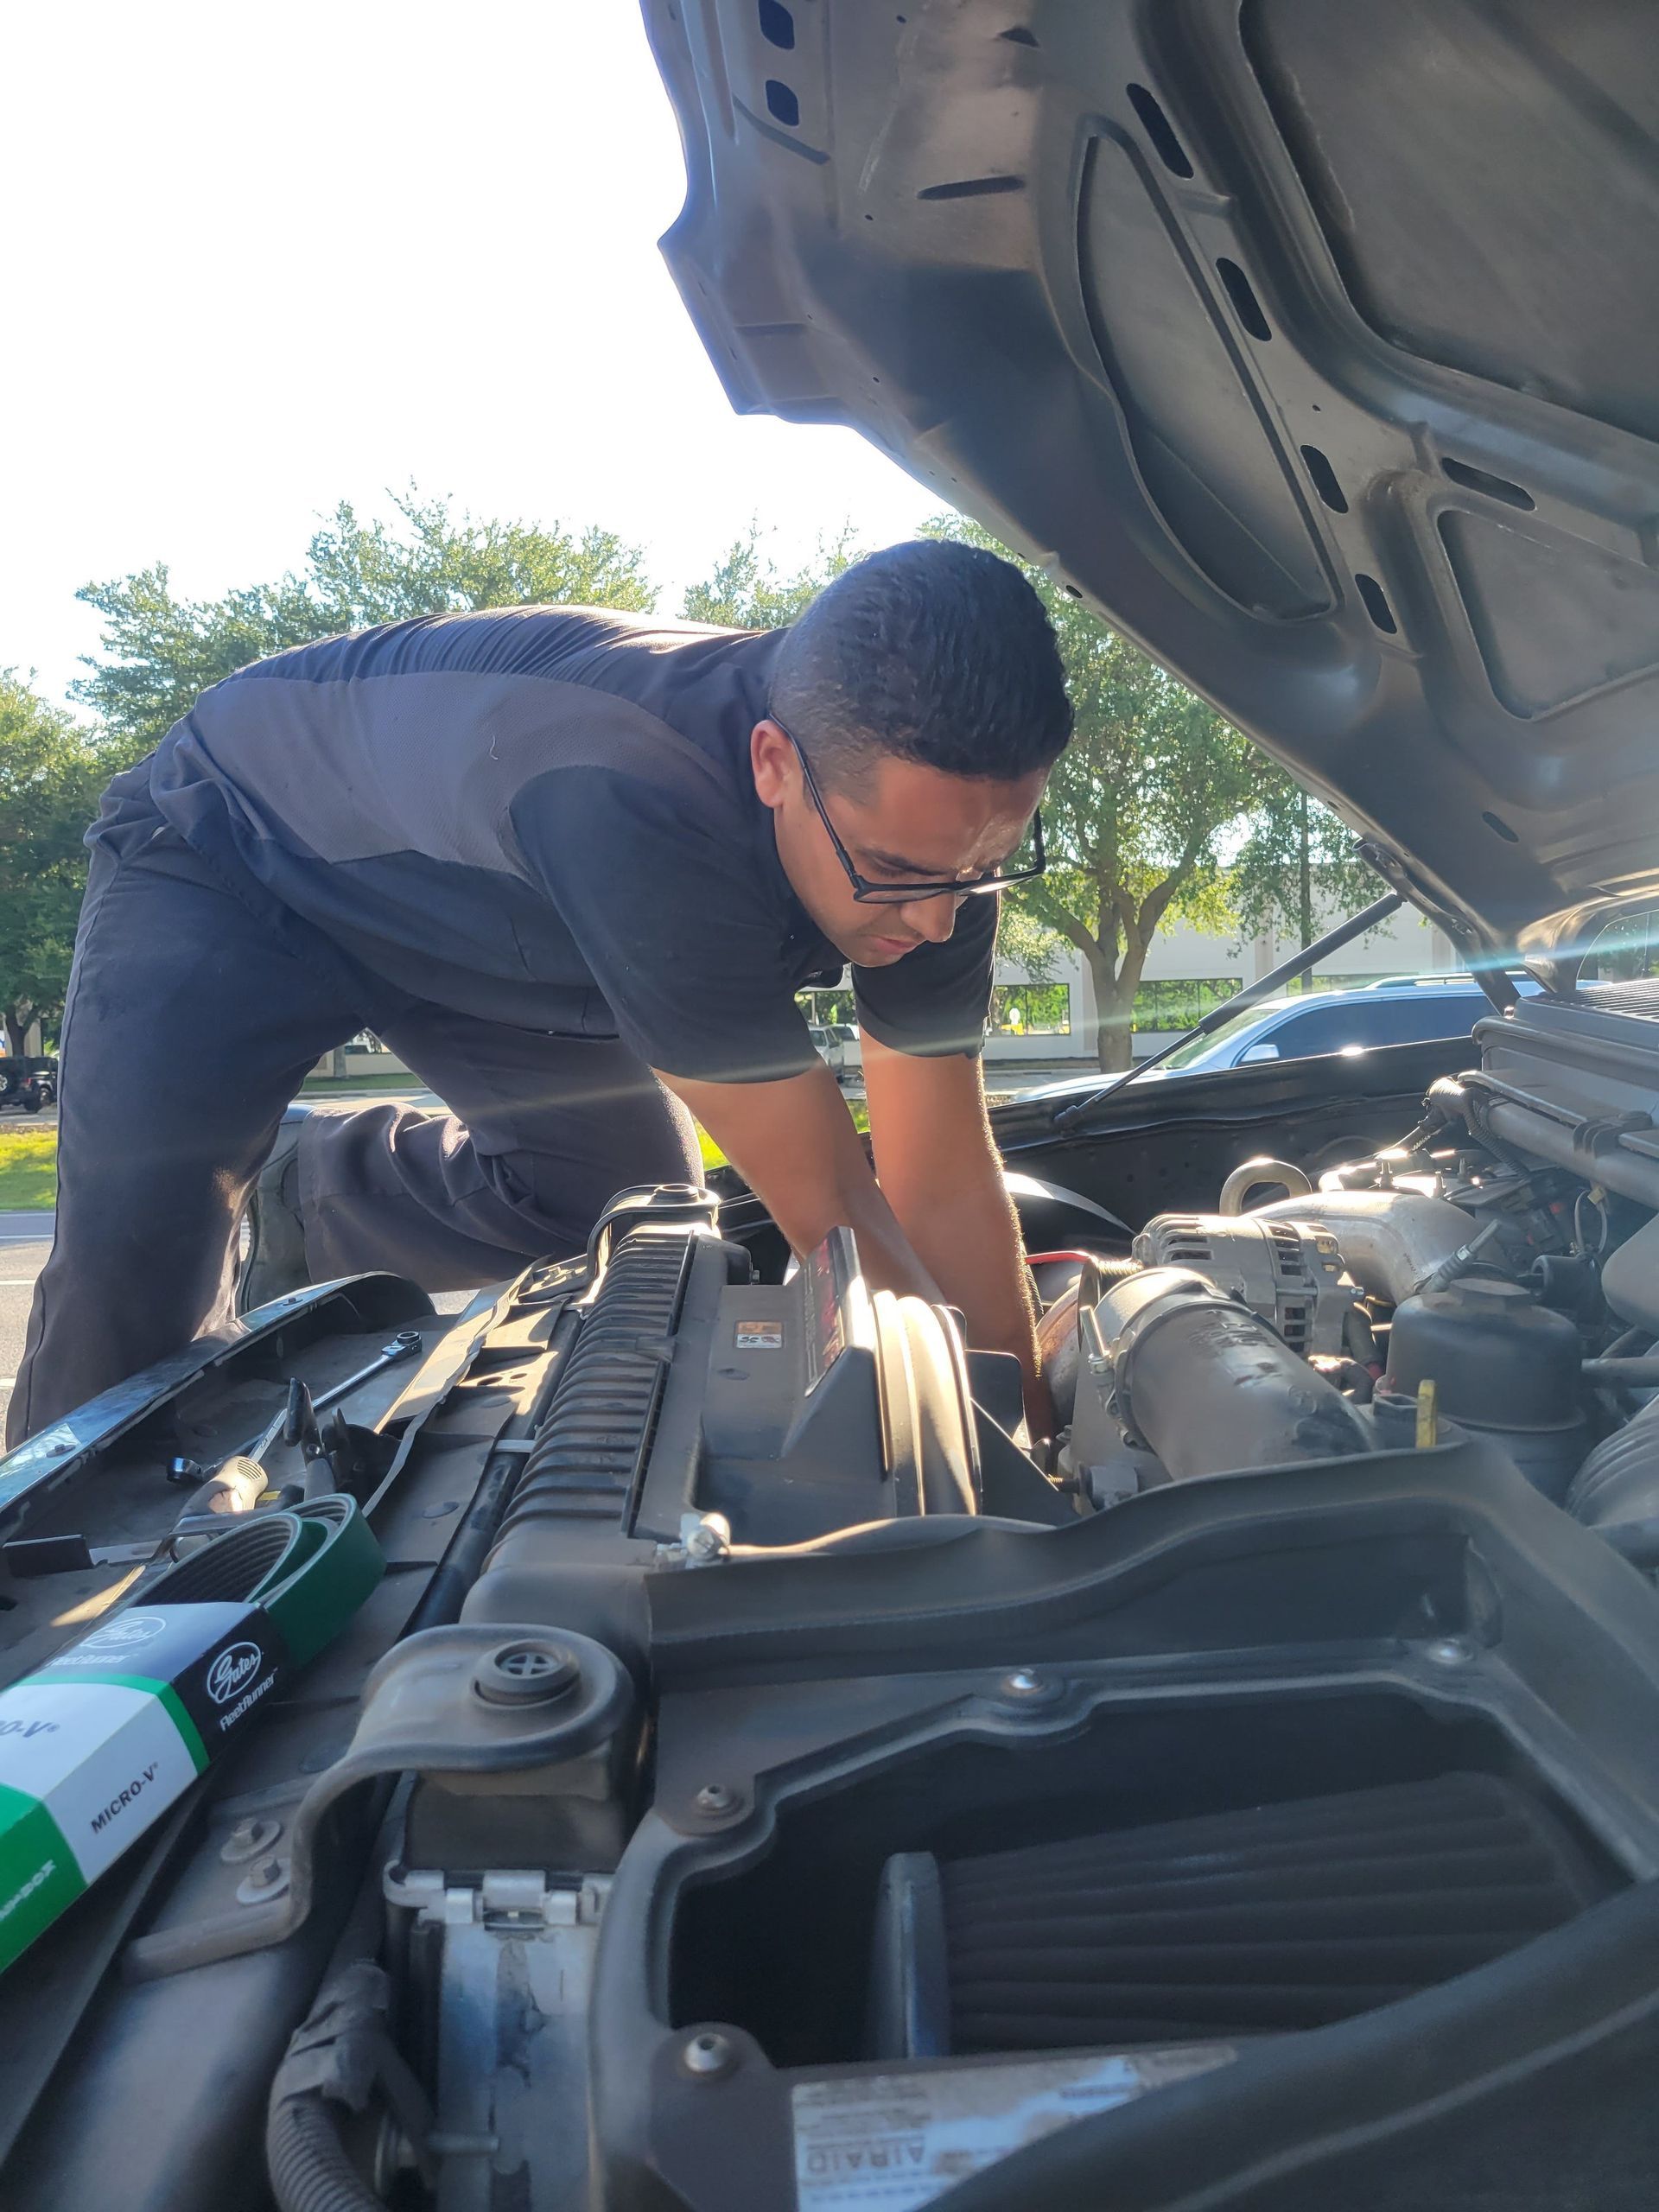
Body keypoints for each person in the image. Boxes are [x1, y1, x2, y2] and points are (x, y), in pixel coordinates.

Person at [8, 540, 1072, 1446]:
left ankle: (307, 1187)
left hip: (492, 913)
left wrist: (1034, 1432)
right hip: (232, 852)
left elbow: (940, 1184)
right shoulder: (638, 796)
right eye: (897, 874)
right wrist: (987, 1479)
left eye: (980, 870)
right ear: (772, 764)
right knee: (134, 1289)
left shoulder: (935, 847)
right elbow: (840, 1221)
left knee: (630, 1218)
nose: (937, 921)